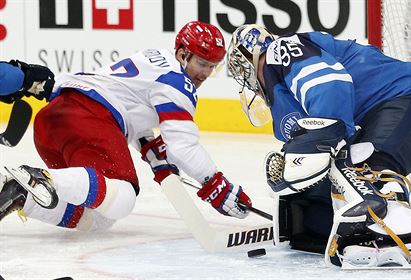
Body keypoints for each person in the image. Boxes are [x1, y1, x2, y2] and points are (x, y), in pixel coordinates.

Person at [227, 24, 411, 269]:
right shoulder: (281, 96)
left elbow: (330, 86)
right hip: (386, 112)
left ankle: (393, 236)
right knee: (327, 186)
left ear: (249, 56)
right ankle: (352, 233)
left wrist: (321, 142)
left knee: (365, 168)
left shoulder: (280, 50)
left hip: (410, 100)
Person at [0, 21, 252, 231]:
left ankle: (20, 195)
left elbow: (129, 105)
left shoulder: (154, 59)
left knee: (98, 216)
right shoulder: (178, 82)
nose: (206, 73)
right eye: (202, 63)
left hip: (54, 121)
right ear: (183, 54)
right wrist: (217, 185)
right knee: (124, 197)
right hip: (87, 118)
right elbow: (183, 146)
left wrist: (151, 149)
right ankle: (33, 179)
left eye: (212, 67)